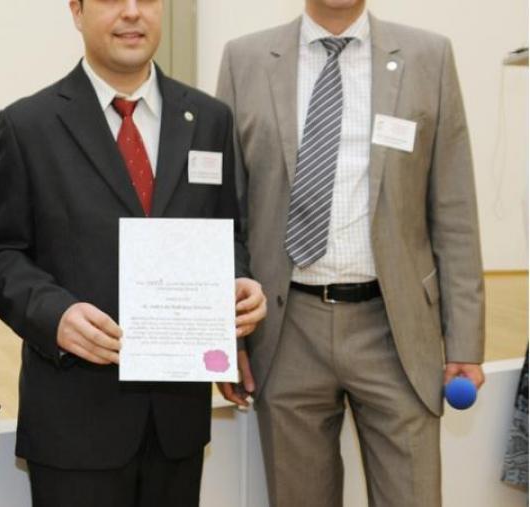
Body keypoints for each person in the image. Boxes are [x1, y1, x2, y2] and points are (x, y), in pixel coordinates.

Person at [0, 0, 267, 505]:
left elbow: (228, 235)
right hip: (74, 420)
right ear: (76, 10)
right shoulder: (29, 125)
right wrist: (55, 314)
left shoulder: (208, 120)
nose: (133, 14)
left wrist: (239, 285)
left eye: (148, 0)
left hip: (176, 423)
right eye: (113, 0)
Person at [216, 1, 485, 505]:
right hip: (286, 327)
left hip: (397, 329)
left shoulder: (430, 56)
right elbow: (228, 211)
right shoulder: (244, 60)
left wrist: (465, 340)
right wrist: (226, 338)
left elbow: (455, 210)